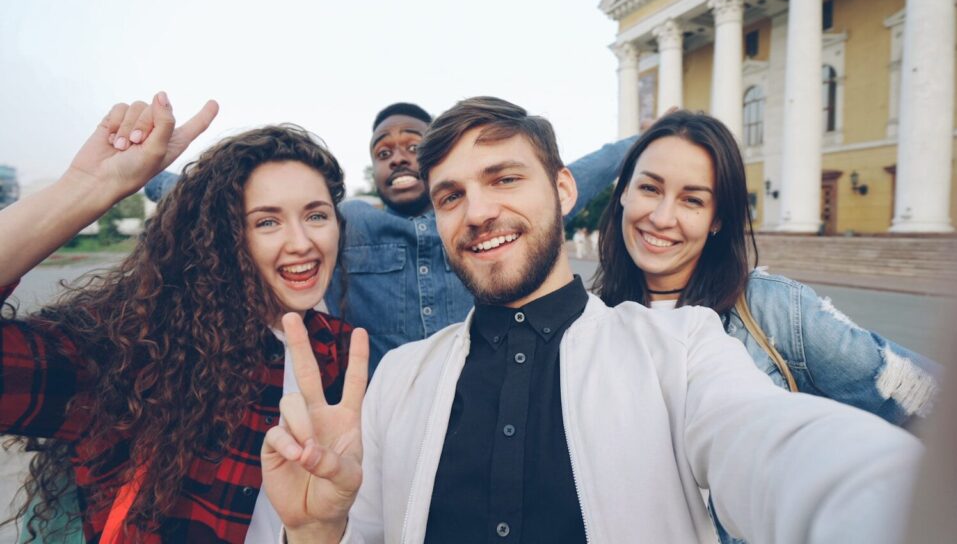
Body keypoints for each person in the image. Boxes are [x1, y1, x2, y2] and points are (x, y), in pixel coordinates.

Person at [261, 97, 923, 544]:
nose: (479, 211)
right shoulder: (399, 378)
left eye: (504, 179)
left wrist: (887, 501)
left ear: (563, 190)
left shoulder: (680, 346)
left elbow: (768, 441)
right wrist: (315, 534)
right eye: (452, 196)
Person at [0, 93, 365, 543]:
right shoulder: (137, 346)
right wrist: (88, 186)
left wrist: (321, 528)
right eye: (267, 222)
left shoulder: (340, 350)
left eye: (316, 215)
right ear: (225, 237)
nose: (302, 242)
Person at [591, 110, 941, 543]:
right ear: (623, 193)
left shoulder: (771, 307)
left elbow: (928, 397)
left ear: (717, 219)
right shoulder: (591, 323)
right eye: (650, 188)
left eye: (692, 200)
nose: (662, 217)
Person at [147, 102, 634, 375]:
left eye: (413, 146)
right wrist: (144, 172)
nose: (398, 157)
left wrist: (646, 140)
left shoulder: (476, 222)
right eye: (383, 152)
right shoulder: (346, 222)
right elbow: (224, 208)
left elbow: (574, 177)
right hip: (380, 416)